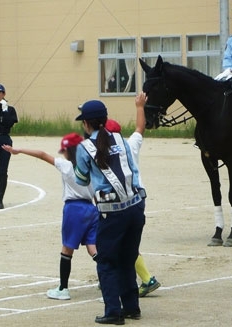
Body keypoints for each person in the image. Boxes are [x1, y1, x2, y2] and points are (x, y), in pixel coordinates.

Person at [2, 133, 99, 300]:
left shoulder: (66, 166)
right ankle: (109, 282)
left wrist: (19, 150)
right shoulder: (90, 167)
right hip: (92, 208)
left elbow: (41, 154)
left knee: (67, 249)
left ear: (68, 151)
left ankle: (63, 288)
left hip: (74, 209)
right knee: (94, 248)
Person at [74, 100, 145, 325]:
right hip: (135, 206)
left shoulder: (84, 148)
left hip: (111, 212)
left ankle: (113, 311)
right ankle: (132, 307)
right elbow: (133, 171)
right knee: (128, 257)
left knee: (106, 261)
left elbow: (81, 179)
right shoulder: (121, 140)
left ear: (86, 124)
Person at [105, 93, 161, 298]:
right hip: (139, 197)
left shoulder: (106, 151)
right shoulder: (129, 144)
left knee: (121, 241)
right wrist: (139, 107)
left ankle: (145, 279)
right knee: (127, 241)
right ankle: (138, 278)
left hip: (123, 200)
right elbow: (140, 127)